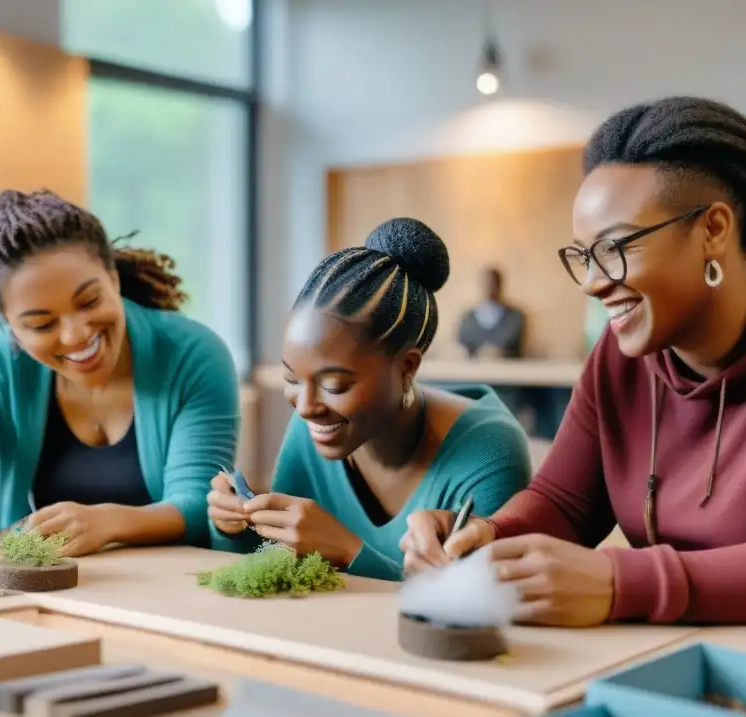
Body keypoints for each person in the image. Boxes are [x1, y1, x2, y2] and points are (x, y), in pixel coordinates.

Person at [401, 96, 746, 629]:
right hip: (681, 656)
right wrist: (488, 534)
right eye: (584, 257)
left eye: (615, 248)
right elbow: (565, 503)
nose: (593, 282)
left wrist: (620, 582)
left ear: (713, 230)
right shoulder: (620, 358)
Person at [0, 189, 239, 559]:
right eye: (42, 324)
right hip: (24, 581)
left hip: (163, 588)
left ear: (112, 278)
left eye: (89, 301)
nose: (75, 334)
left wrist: (109, 522)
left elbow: (195, 503)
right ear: (10, 327)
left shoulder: (192, 354)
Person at [207, 217, 532, 580]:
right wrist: (235, 527)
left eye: (334, 386)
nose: (305, 405)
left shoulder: (490, 451)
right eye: (292, 379)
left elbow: (477, 604)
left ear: (407, 367)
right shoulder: (313, 425)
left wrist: (348, 551)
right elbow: (280, 562)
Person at [456, 266, 525, 359]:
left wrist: (498, 354)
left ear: (500, 285)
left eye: (494, 284)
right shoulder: (468, 318)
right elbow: (462, 347)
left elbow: (515, 349)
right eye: (487, 284)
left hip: (506, 370)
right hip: (473, 371)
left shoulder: (515, 318)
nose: (490, 288)